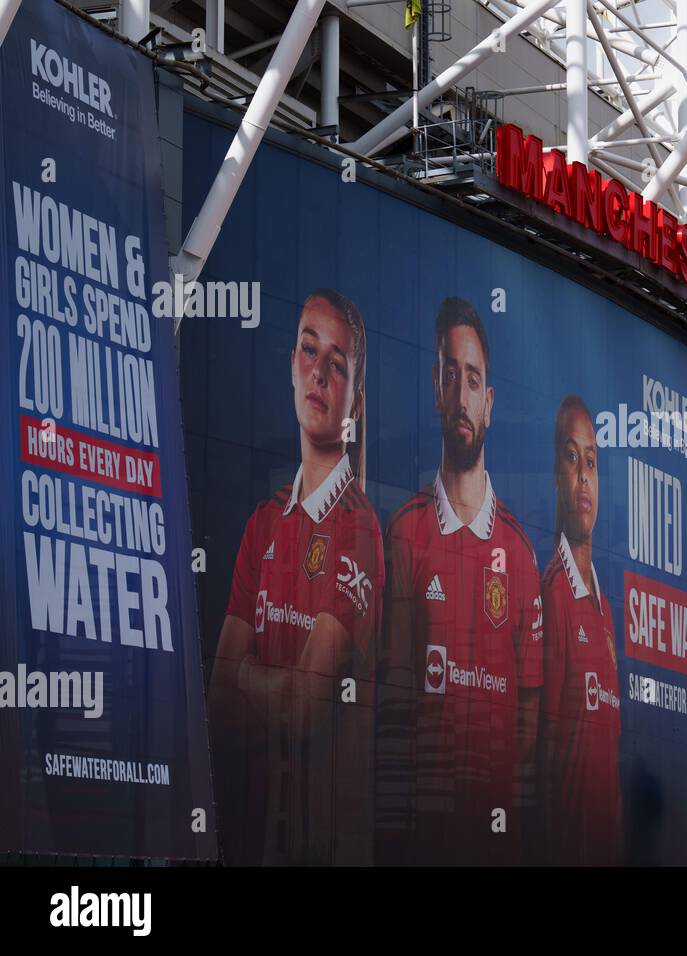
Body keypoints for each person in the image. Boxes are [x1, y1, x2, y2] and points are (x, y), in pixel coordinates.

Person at [210, 289, 383, 865]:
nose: (319, 374)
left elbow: (307, 711)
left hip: (323, 847)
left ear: (355, 398)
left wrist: (251, 675)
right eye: (309, 352)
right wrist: (278, 688)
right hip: (250, 839)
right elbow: (216, 703)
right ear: (291, 366)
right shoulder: (262, 524)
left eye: (338, 365)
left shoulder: (359, 530)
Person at [378, 296, 544, 866]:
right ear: (436, 387)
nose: (462, 393)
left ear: (489, 402)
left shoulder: (520, 555)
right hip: (422, 838)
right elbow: (395, 699)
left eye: (473, 379)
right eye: (451, 374)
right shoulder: (404, 531)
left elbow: (529, 722)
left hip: (498, 841)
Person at [538, 395, 623, 865]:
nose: (584, 473)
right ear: (556, 473)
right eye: (572, 457)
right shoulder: (552, 595)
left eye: (592, 460)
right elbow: (542, 749)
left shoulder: (606, 609)